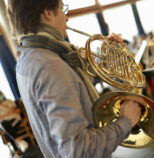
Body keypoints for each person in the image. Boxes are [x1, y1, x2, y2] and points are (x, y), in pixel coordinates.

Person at [7, 0, 141, 158]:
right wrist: (126, 121)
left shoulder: (29, 58)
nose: (67, 17)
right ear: (48, 14)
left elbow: (74, 85)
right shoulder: (50, 66)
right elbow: (78, 150)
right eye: (62, 9)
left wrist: (109, 55)